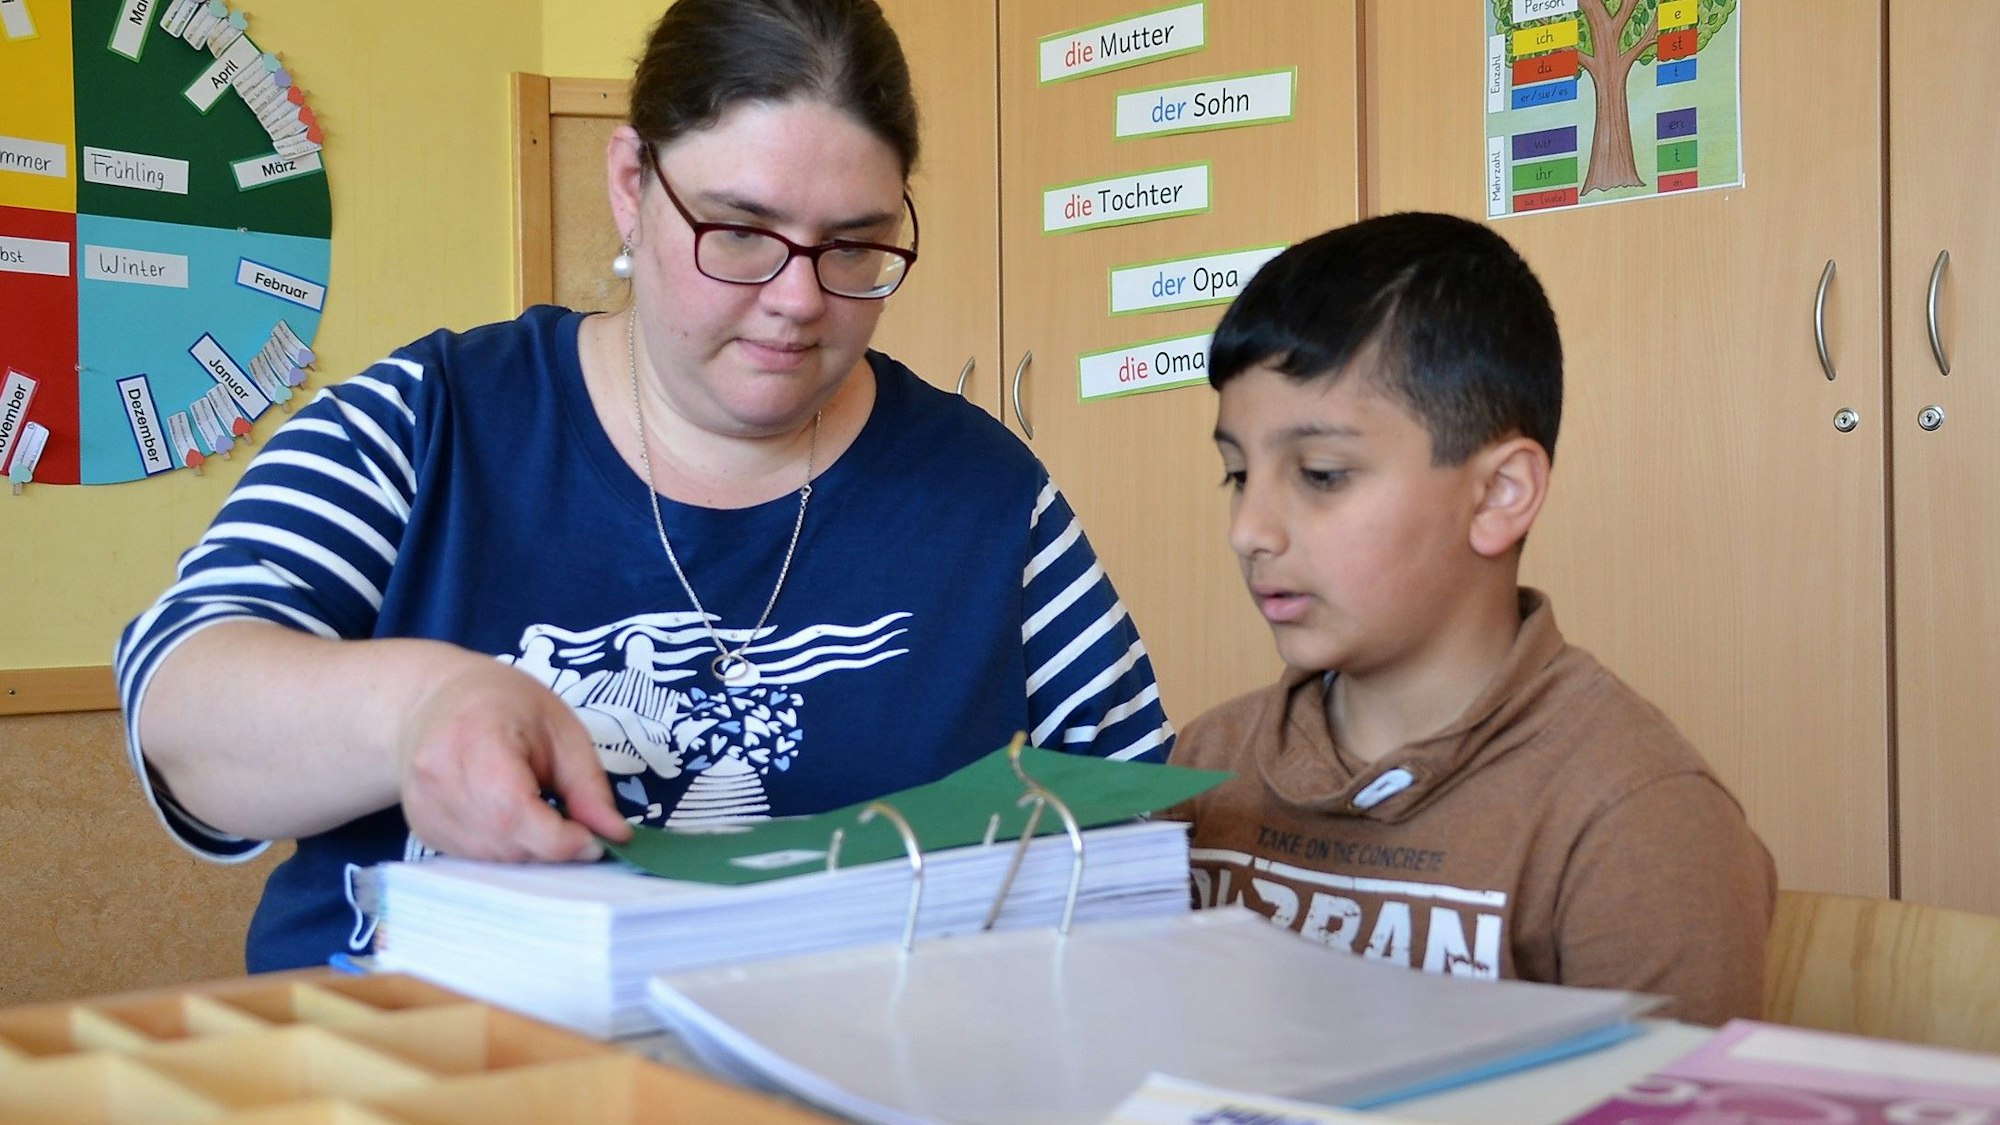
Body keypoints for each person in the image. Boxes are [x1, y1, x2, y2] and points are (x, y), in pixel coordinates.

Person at [113, 0, 1172, 973]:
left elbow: (1141, 818)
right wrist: (415, 711)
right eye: (741, 233)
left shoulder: (985, 493)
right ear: (632, 184)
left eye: (853, 246)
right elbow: (181, 700)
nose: (798, 299)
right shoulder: (433, 421)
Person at [1166, 212, 1774, 1025]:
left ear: (1499, 494)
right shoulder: (1207, 766)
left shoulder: (1638, 818)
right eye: (1237, 475)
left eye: (1320, 473)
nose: (1250, 530)